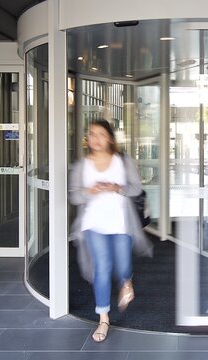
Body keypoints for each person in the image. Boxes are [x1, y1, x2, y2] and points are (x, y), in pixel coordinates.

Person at [68, 119, 152, 343]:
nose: (96, 139)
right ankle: (103, 318)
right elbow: (74, 195)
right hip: (93, 224)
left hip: (121, 224)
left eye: (101, 134)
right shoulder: (81, 165)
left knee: (123, 266)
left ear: (110, 139)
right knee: (102, 269)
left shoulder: (123, 162)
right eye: (92, 134)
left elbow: (136, 189)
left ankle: (127, 282)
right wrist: (89, 191)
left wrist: (118, 188)